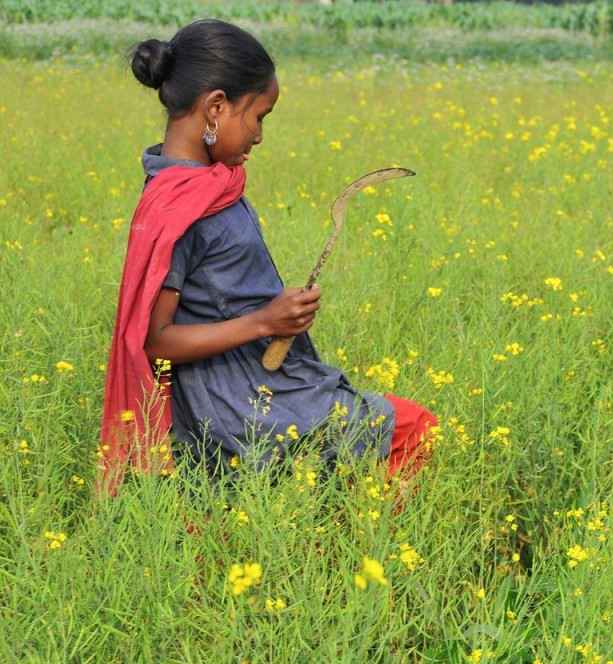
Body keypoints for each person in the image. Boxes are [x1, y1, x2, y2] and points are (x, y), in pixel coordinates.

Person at [98, 19, 436, 497]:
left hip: (256, 381)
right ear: (216, 107)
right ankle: (358, 559)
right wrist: (264, 321)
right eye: (258, 116)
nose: (258, 135)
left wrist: (275, 313)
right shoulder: (181, 203)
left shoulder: (209, 187)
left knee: (320, 490)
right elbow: (155, 341)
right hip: (236, 401)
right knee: (411, 430)